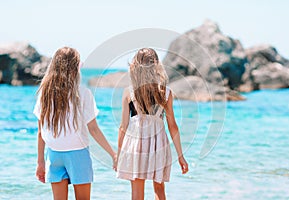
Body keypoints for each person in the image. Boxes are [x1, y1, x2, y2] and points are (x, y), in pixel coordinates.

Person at [34, 47, 117, 200]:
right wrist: (113, 154)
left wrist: (40, 162)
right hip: (77, 154)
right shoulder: (83, 93)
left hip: (54, 155)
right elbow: (93, 128)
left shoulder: (44, 94)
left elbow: (40, 132)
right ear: (74, 67)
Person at [116, 48, 188, 200]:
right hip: (158, 144)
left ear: (135, 67)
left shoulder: (129, 92)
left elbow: (123, 127)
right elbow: (172, 125)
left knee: (136, 192)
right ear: (156, 66)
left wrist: (119, 154)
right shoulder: (165, 92)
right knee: (159, 190)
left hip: (136, 144)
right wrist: (180, 156)